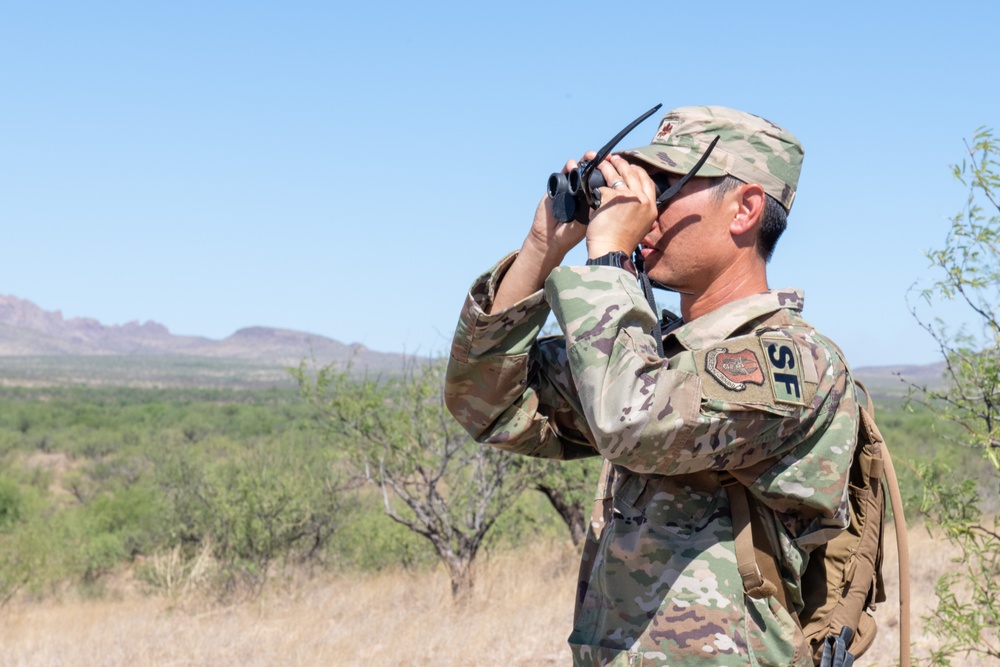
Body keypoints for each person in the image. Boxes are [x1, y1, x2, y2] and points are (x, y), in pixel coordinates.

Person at [444, 105, 858, 666]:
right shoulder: (646, 354)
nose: (643, 205)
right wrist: (543, 248)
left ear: (745, 208)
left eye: (666, 185)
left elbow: (632, 421)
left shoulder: (795, 362)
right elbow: (485, 402)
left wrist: (610, 259)